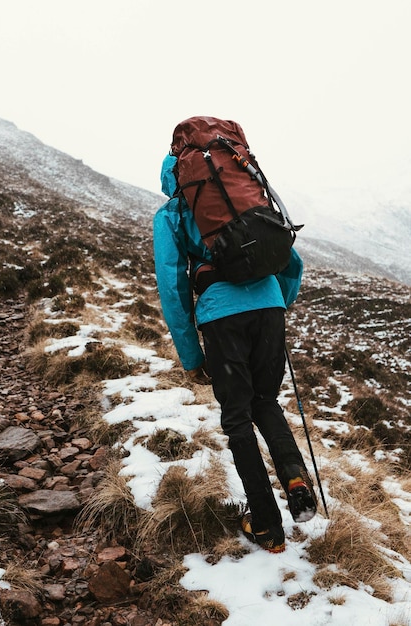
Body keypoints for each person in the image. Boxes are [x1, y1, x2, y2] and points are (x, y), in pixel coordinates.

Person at [153, 148, 317, 554]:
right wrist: (278, 302)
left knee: (238, 419)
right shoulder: (248, 198)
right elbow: (288, 260)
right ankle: (295, 476)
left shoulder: (172, 214)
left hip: (221, 317)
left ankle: (266, 524)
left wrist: (191, 357)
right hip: (268, 307)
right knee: (267, 401)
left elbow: (174, 289)